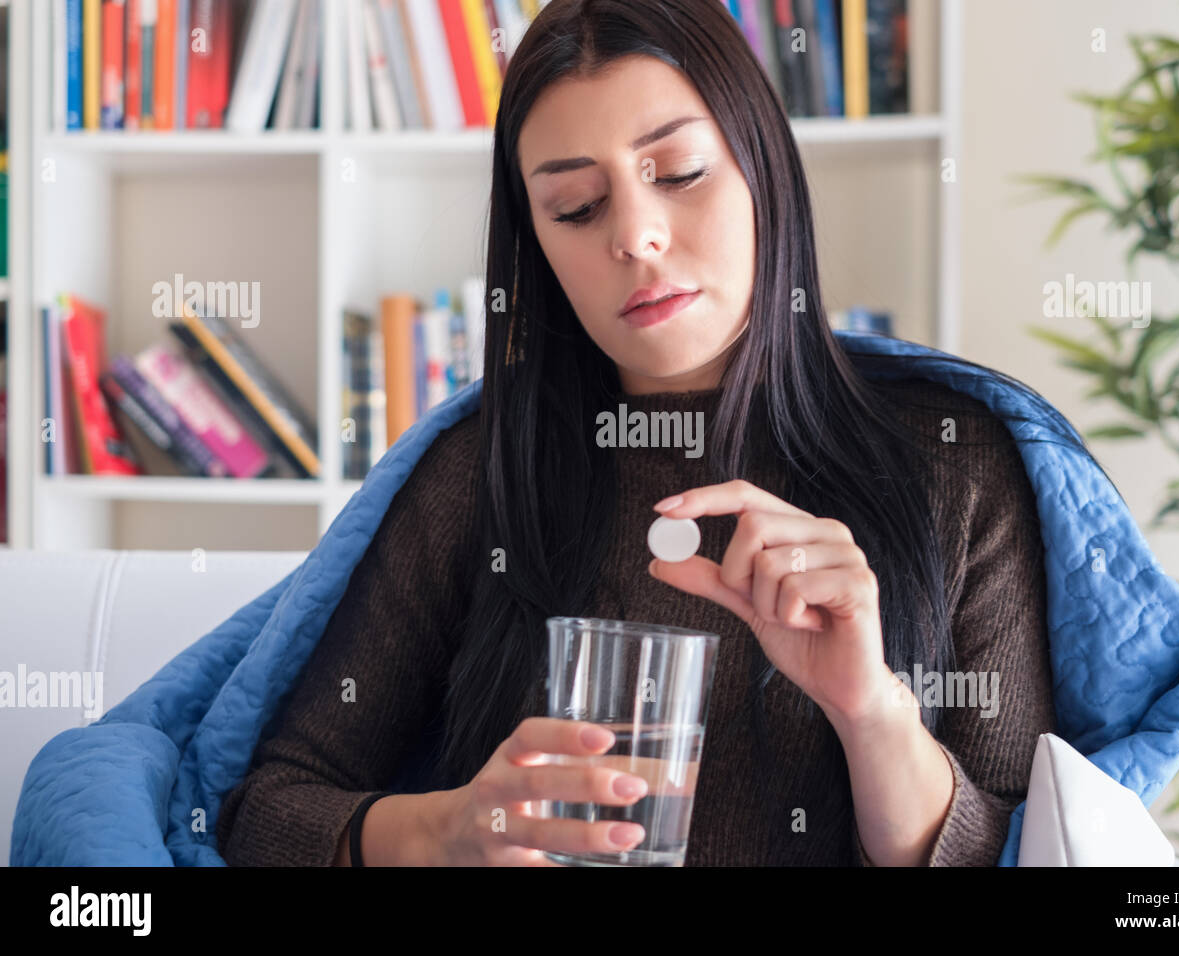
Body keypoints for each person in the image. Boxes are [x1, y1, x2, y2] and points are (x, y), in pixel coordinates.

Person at [217, 0, 1095, 867]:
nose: (635, 236)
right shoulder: (488, 469)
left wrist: (871, 710)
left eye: (677, 172)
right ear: (537, 246)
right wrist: (445, 833)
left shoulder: (956, 462)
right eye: (574, 208)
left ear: (764, 167)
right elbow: (265, 811)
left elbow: (1026, 852)